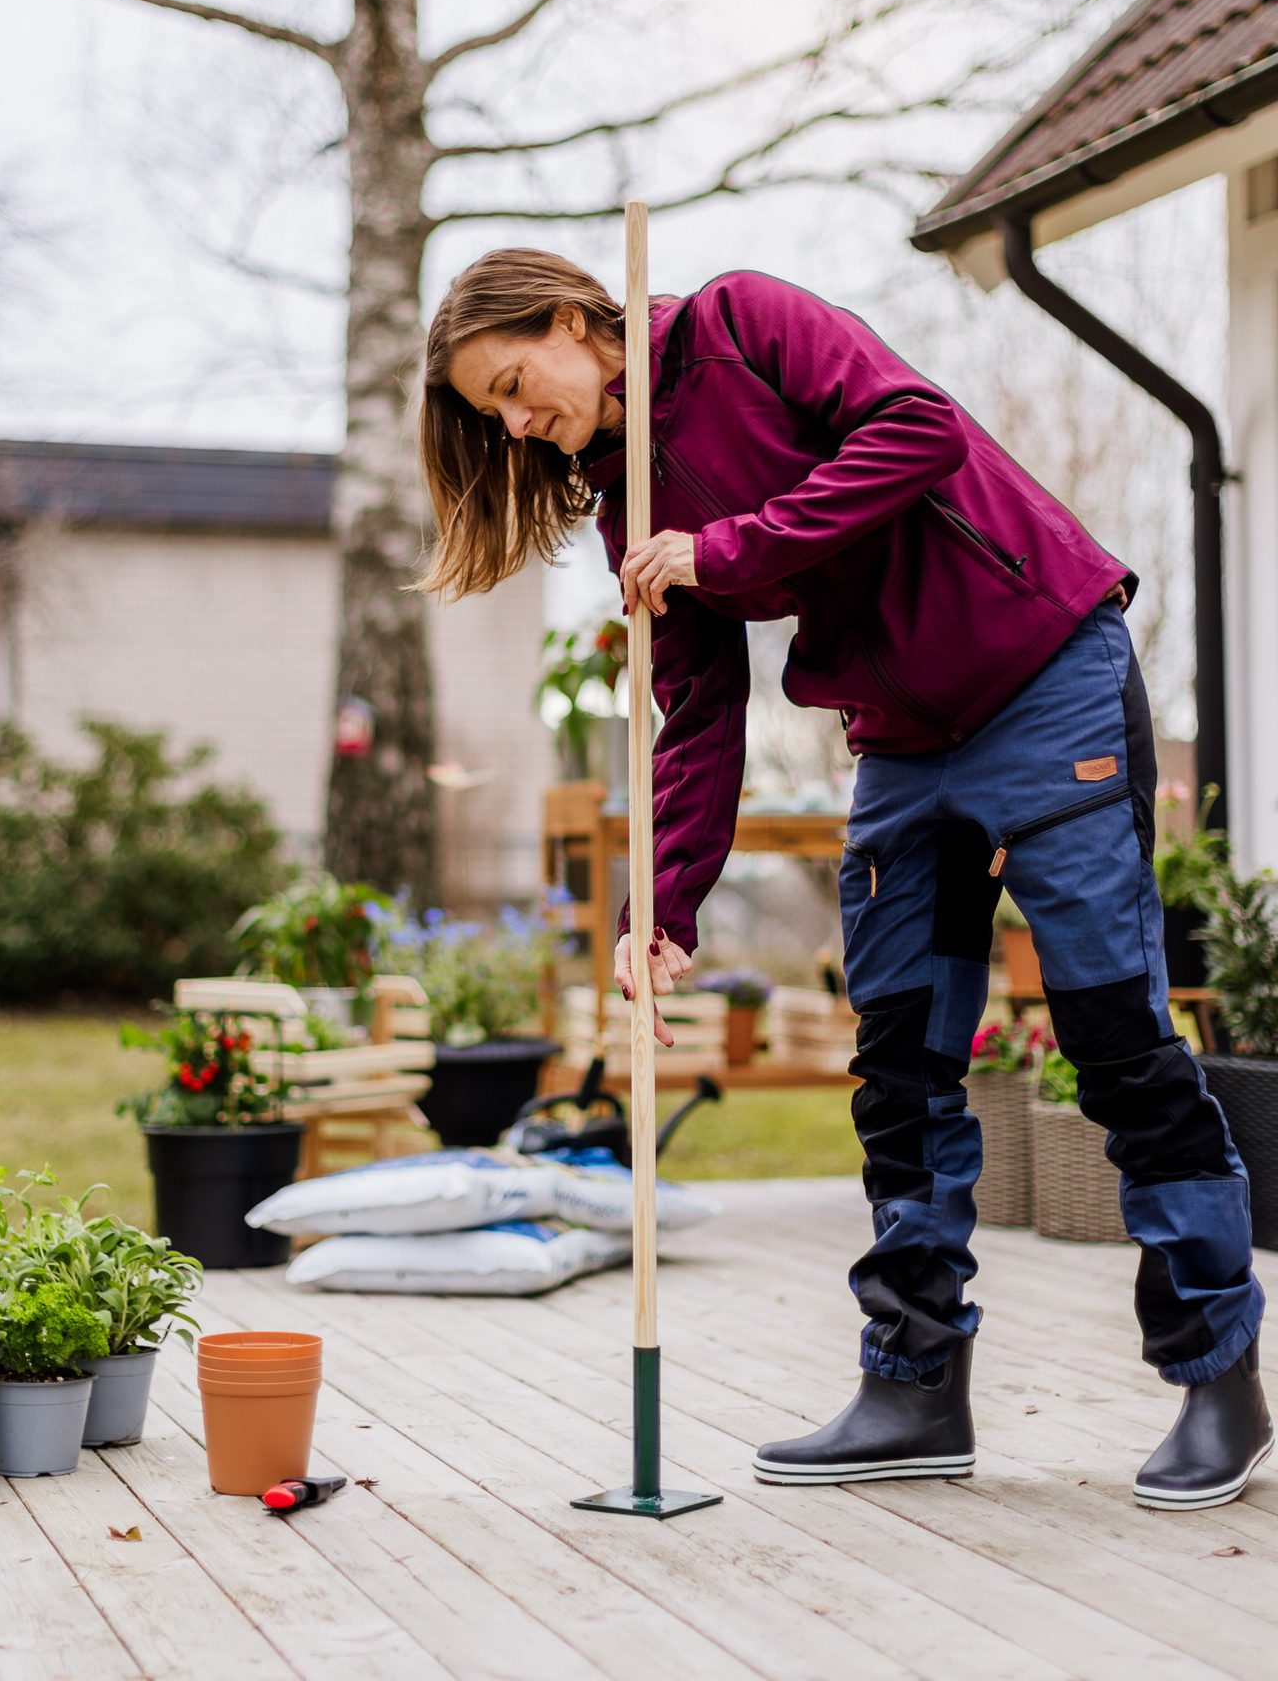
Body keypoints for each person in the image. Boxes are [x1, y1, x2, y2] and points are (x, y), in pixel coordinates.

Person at [417, 247, 1271, 1511]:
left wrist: (732, 545)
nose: (514, 419)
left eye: (512, 381)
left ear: (564, 319)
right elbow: (697, 704)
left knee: (1112, 1037)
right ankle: (913, 1384)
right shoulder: (623, 502)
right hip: (898, 740)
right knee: (899, 1064)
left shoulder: (742, 325)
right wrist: (665, 899)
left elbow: (915, 430)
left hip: (1043, 674)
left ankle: (1217, 1377)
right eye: (492, 412)